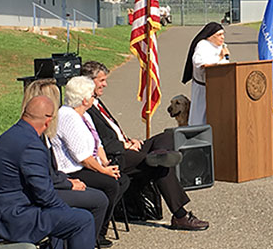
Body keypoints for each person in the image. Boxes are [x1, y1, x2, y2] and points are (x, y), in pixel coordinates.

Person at [0, 95, 114, 249]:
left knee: (61, 215)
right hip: (11, 220)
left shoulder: (13, 134)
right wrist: (66, 215)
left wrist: (61, 214)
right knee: (82, 220)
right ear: (48, 121)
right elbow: (45, 195)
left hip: (1, 213)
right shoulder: (31, 145)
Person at [81, 61, 210, 231]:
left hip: (125, 145)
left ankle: (159, 152)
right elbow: (98, 141)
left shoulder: (97, 102)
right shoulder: (85, 107)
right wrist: (124, 145)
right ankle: (181, 216)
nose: (105, 84)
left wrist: (129, 140)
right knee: (158, 165)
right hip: (115, 155)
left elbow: (112, 130)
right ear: (89, 81)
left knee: (169, 135)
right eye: (102, 80)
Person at [22, 78, 110, 248]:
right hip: (35, 196)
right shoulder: (32, 138)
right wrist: (68, 184)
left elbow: (48, 172)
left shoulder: (37, 132)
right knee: (99, 200)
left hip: (50, 184)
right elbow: (42, 178)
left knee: (103, 193)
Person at [51, 76, 130, 242]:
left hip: (89, 165)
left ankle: (101, 226)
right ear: (85, 99)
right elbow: (82, 157)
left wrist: (106, 163)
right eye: (93, 96)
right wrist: (103, 171)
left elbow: (97, 143)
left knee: (122, 179)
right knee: (110, 184)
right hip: (71, 170)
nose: (94, 99)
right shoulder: (67, 116)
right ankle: (94, 233)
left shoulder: (84, 115)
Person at [182, 22, 230, 125]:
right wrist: (220, 57)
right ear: (210, 37)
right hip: (203, 89)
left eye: (223, 34)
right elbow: (200, 63)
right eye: (219, 35)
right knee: (200, 119)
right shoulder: (202, 45)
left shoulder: (220, 46)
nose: (222, 37)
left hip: (218, 88)